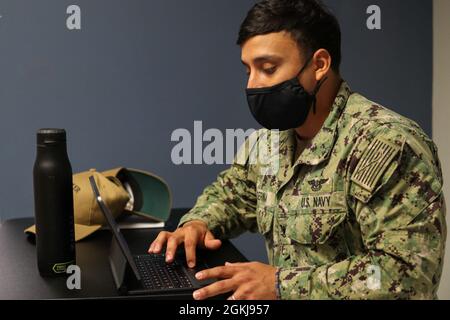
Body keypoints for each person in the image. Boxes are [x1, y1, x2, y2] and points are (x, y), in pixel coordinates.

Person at [149, 0, 447, 300]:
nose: (253, 85)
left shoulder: (385, 144)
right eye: (248, 70)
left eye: (268, 68)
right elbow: (232, 194)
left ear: (319, 65)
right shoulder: (271, 142)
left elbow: (406, 278)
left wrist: (280, 285)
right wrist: (198, 223)